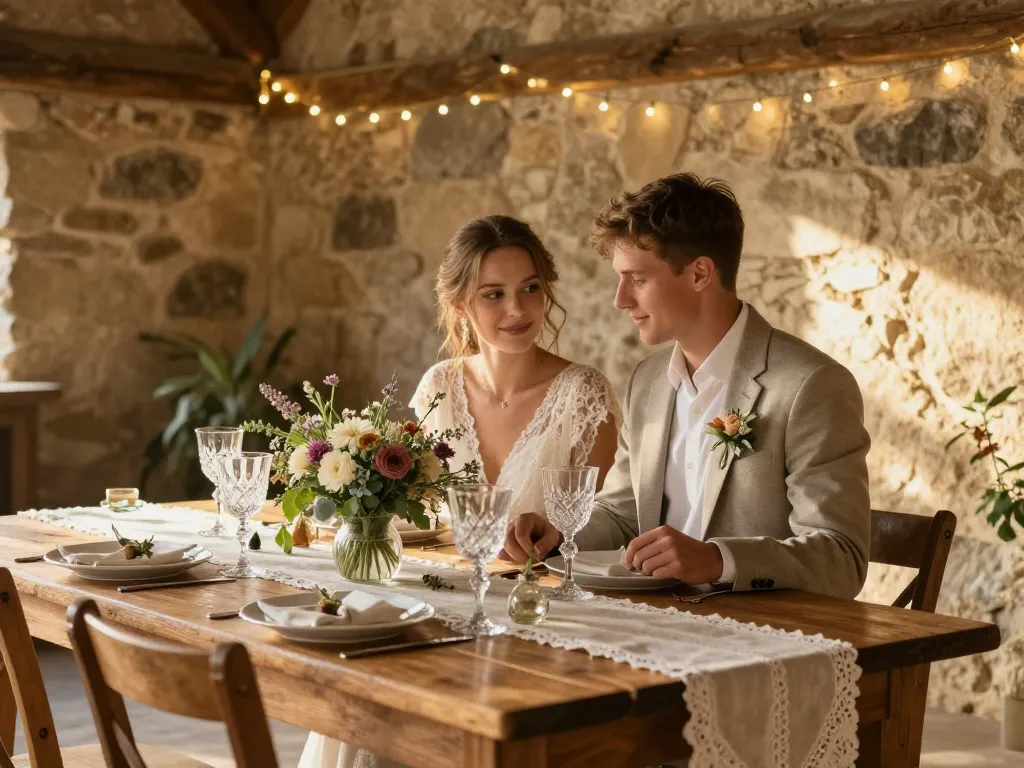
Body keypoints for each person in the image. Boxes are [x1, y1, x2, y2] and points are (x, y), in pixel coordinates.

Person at [298, 214, 621, 768]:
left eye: (530, 289)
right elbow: (420, 511)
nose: (517, 311)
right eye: (493, 294)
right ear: (461, 305)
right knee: (367, 690)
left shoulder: (583, 394)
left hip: (536, 627)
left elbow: (592, 524)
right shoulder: (439, 385)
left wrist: (550, 540)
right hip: (448, 612)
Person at [502, 174, 871, 600]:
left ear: (699, 273)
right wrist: (559, 532)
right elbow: (621, 515)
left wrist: (718, 560)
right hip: (651, 623)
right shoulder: (648, 381)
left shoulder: (811, 386)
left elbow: (842, 559)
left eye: (637, 279)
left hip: (759, 636)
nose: (620, 300)